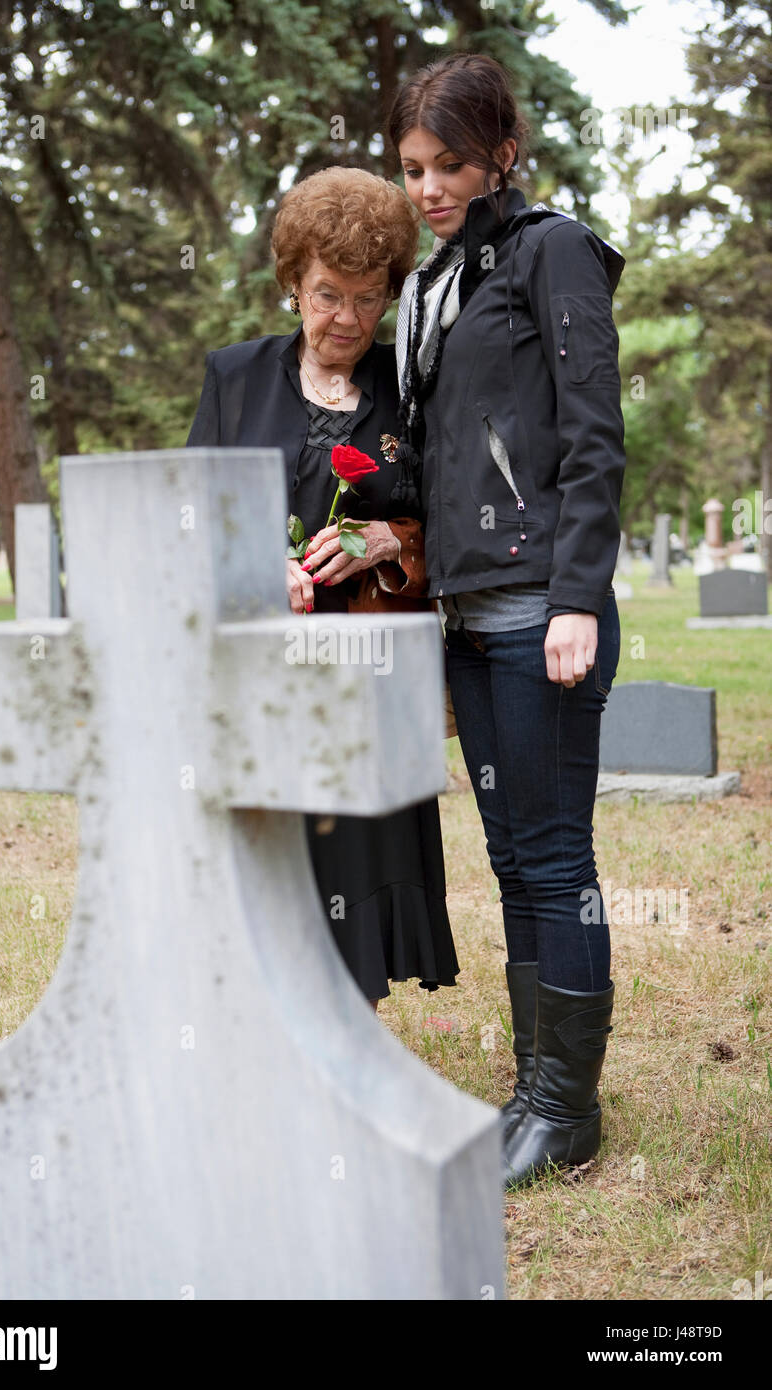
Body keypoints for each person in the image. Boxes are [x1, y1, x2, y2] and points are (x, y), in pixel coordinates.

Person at [389, 53, 625, 1185]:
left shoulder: (552, 249)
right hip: (469, 619)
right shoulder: (440, 282)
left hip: (543, 611)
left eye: (449, 164)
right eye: (413, 169)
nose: (428, 187)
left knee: (552, 853)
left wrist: (576, 597)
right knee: (507, 856)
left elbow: (591, 434)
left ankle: (565, 1113)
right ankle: (536, 1088)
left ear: (502, 155)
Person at [186, 166, 459, 1009]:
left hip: (365, 677)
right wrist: (248, 561)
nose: (347, 319)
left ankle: (350, 1027)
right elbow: (188, 512)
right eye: (327, 295)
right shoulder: (234, 378)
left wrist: (388, 537)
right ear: (292, 285)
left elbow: (453, 515)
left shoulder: (407, 387)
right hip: (258, 672)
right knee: (267, 855)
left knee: (354, 856)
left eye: (369, 299)